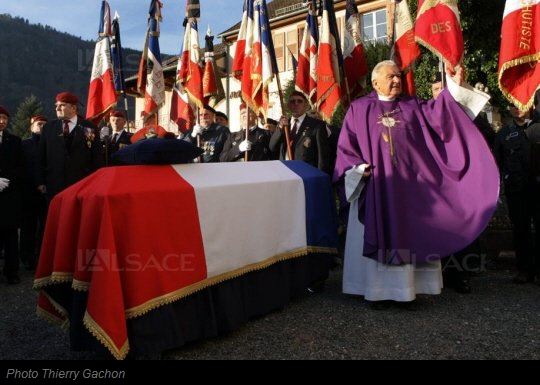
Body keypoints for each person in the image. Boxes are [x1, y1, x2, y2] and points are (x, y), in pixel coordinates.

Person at [334, 60, 499, 307]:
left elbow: (443, 117)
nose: (397, 81)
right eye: (390, 77)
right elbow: (347, 147)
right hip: (378, 187)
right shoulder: (359, 109)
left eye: (399, 76)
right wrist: (356, 169)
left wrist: (452, 85)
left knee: (411, 234)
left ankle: (408, 291)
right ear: (375, 81)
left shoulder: (413, 106)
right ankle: (377, 292)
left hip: (411, 190)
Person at [494, 104, 540, 284]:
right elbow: (497, 162)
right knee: (520, 230)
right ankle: (524, 270)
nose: (518, 108)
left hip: (537, 189)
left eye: (523, 102)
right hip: (516, 190)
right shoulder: (504, 134)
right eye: (513, 104)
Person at [37, 92, 103, 200]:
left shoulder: (88, 128)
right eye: (56, 105)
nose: (57, 108)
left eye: (61, 105)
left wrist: (96, 181)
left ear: (73, 108)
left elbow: (96, 156)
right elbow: (41, 156)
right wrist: (40, 181)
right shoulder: (49, 128)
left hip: (81, 183)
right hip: (54, 184)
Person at [269, 91, 333, 175]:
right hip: (285, 172)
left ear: (306, 105)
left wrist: (320, 175)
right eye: (292, 101)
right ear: (288, 105)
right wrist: (280, 128)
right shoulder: (283, 125)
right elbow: (272, 147)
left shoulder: (317, 125)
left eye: (299, 101)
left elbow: (322, 156)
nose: (296, 104)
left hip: (306, 173)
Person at [20, 115, 47, 271]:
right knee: (28, 227)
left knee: (44, 227)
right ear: (31, 127)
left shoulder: (50, 144)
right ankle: (26, 257)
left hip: (45, 192)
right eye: (39, 124)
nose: (41, 126)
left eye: (44, 124)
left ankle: (41, 257)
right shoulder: (24, 145)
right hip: (28, 192)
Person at [0, 106, 24, 284]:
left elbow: (21, 166)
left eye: (5, 118)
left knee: (10, 237)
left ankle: (12, 272)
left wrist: (8, 180)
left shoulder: (15, 141)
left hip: (9, 194)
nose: (2, 121)